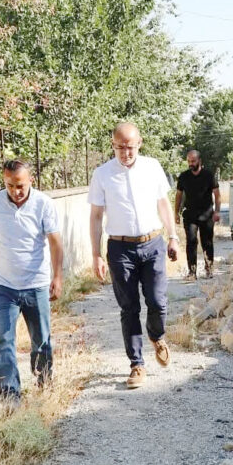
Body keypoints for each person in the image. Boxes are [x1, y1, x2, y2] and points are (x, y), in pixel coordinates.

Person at [89, 122, 180, 389]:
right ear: (112, 145)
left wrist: (173, 236)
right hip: (120, 249)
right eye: (120, 147)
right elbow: (95, 217)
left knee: (157, 302)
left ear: (139, 142)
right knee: (129, 308)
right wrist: (96, 255)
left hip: (152, 244)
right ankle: (137, 364)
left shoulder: (152, 167)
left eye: (130, 147)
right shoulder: (102, 174)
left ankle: (157, 336)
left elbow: (163, 204)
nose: (125, 152)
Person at [0, 160, 64, 403]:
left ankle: (44, 382)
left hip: (36, 284)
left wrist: (57, 276)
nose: (15, 191)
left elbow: (56, 242)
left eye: (20, 185)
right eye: (9, 185)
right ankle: (10, 396)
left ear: (30, 181)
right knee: (5, 340)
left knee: (41, 341)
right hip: (4, 286)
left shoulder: (43, 204)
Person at [174, 149, 220, 280]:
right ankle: (192, 272)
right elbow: (178, 196)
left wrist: (216, 211)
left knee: (207, 242)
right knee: (191, 241)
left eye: (193, 161)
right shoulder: (183, 177)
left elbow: (217, 195)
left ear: (200, 161)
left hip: (206, 214)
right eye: (188, 161)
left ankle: (209, 269)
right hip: (190, 215)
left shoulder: (209, 175)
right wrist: (176, 213)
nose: (190, 163)